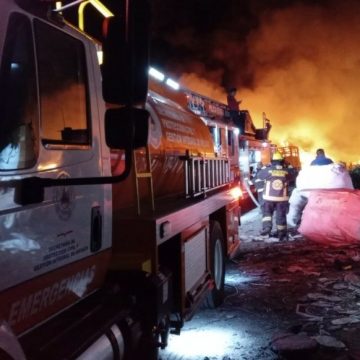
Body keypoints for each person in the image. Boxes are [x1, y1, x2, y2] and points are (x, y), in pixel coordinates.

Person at [256, 151, 291, 242]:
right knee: (281, 215)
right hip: (281, 198)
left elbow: (259, 175)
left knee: (267, 214)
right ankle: (281, 233)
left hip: (268, 198)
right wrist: (289, 166)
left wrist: (265, 167)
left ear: (272, 161)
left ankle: (267, 229)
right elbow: (294, 174)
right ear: (282, 161)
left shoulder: (268, 170)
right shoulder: (286, 171)